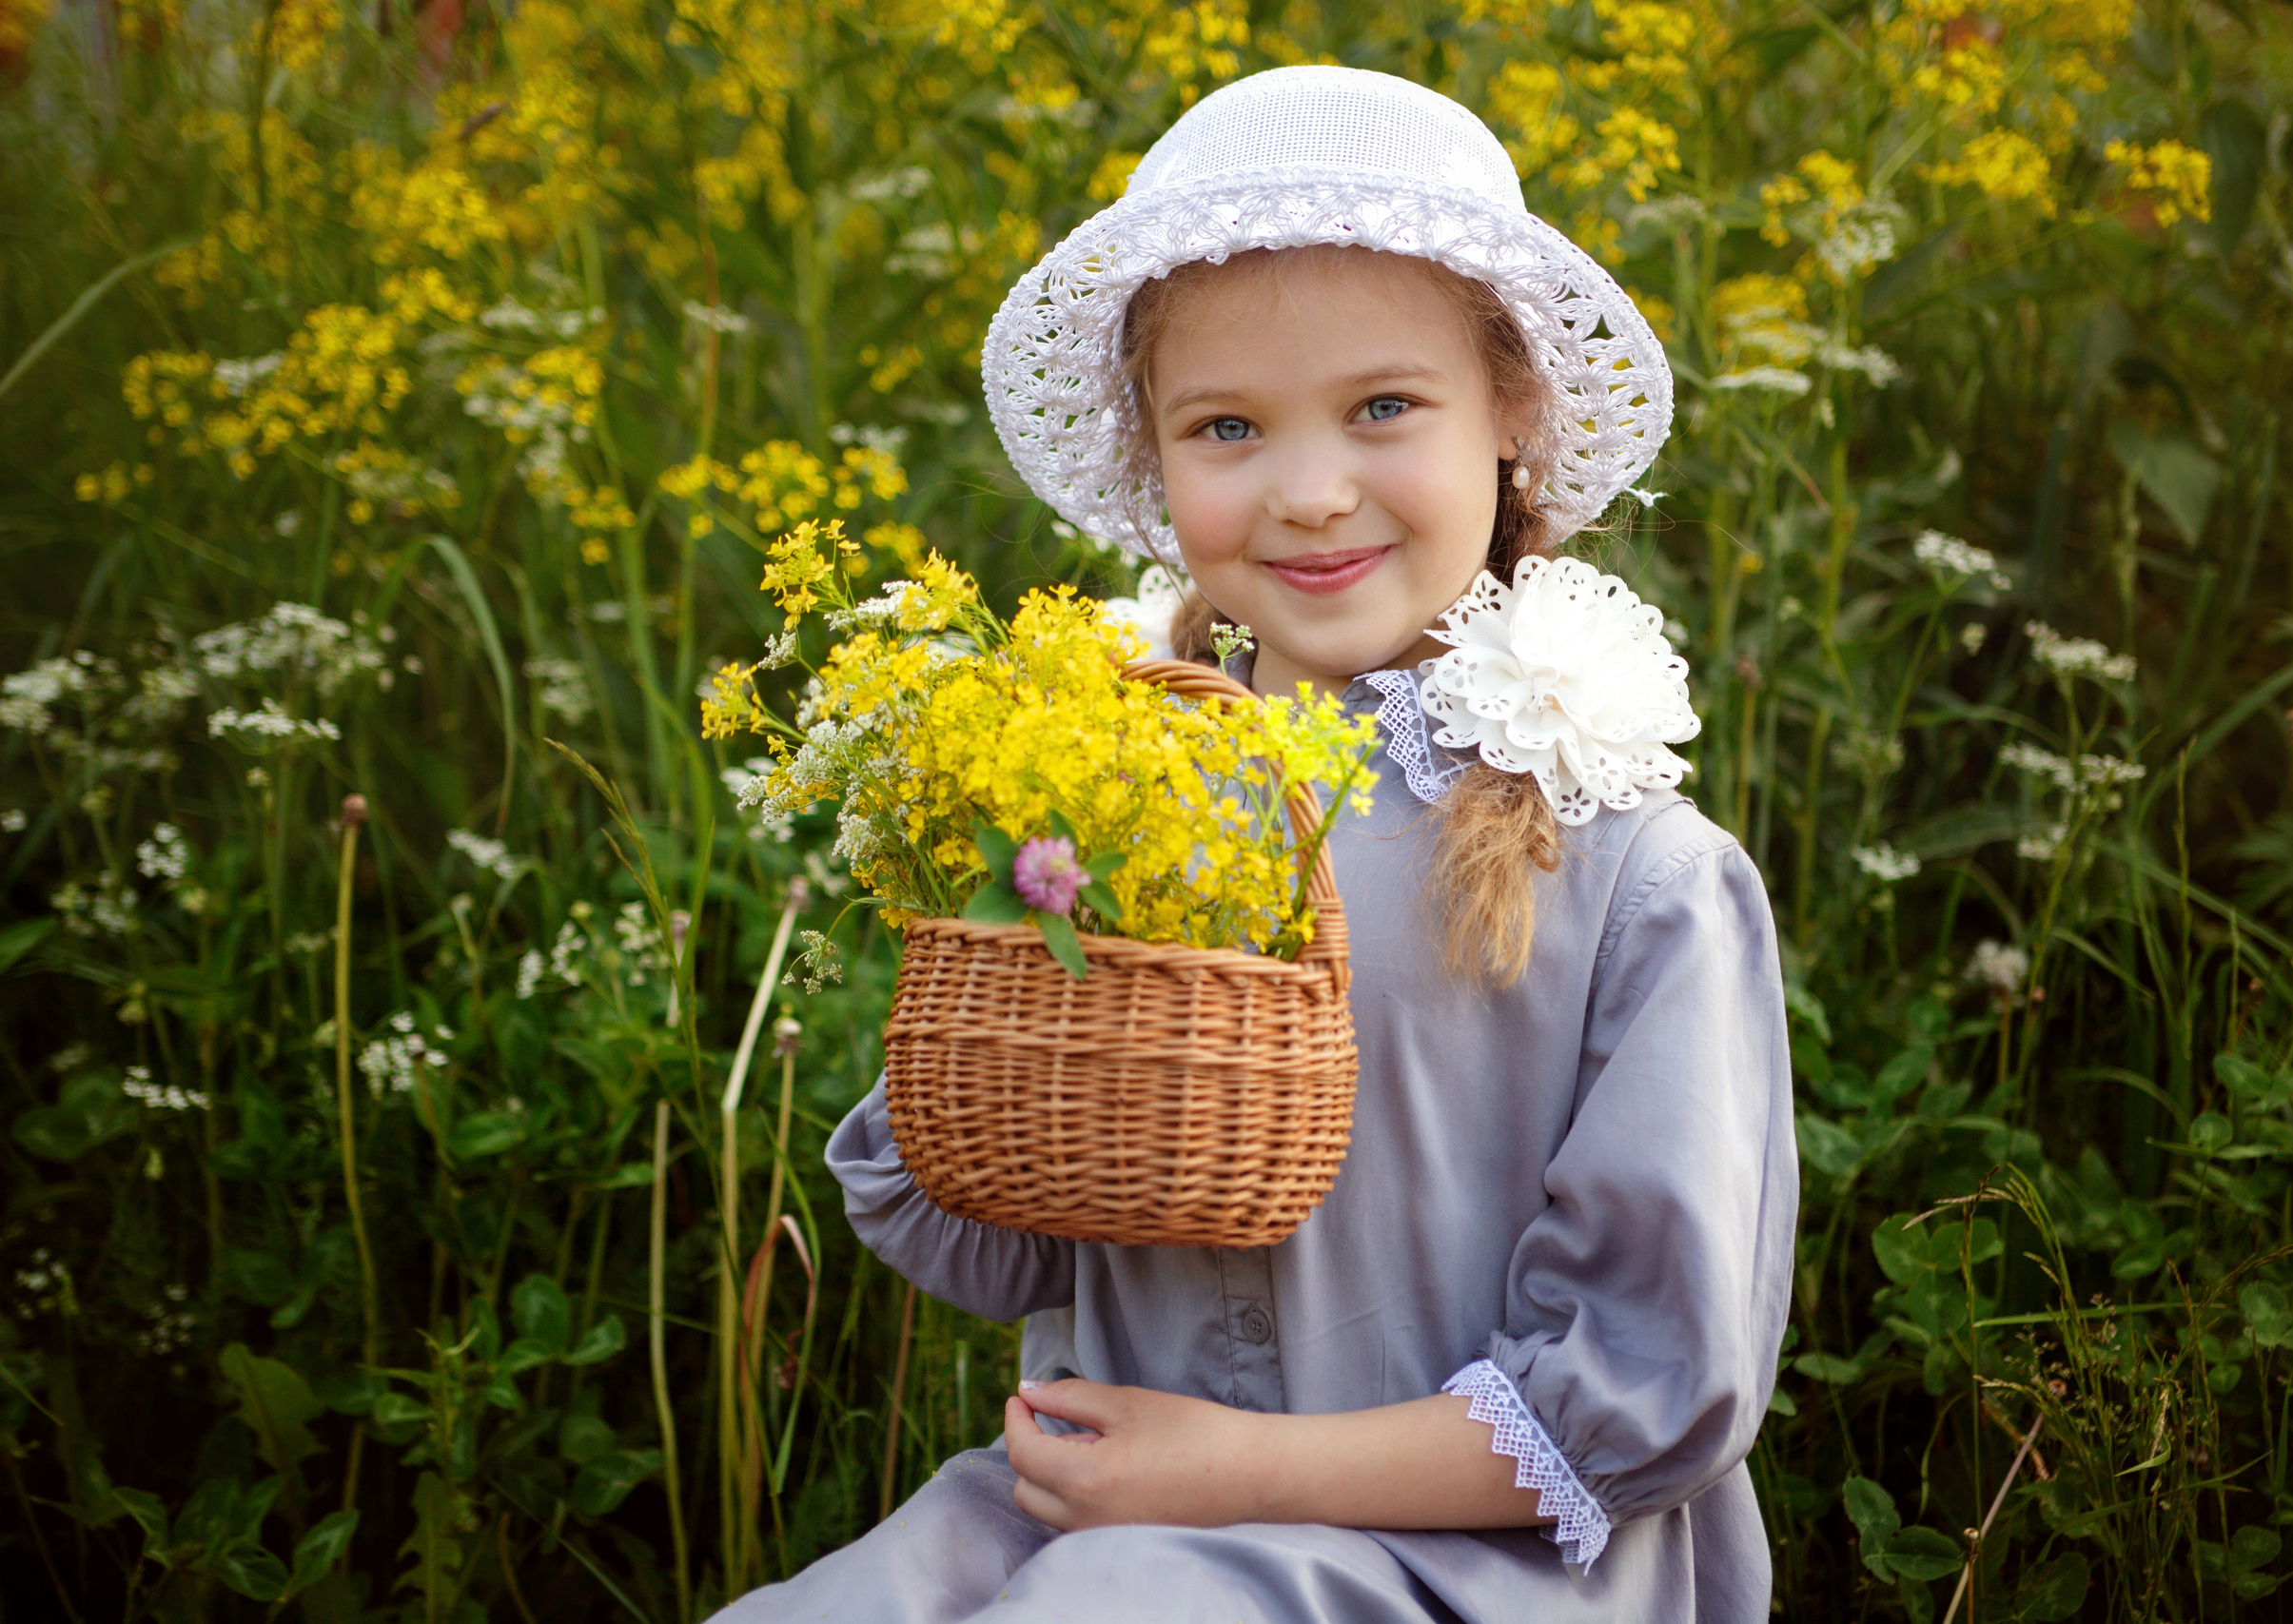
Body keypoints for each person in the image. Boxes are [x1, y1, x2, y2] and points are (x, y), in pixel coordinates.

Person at [718, 65, 1796, 1624]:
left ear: (1514, 410)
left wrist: (1224, 1474)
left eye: (1383, 408)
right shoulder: (1114, 809)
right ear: (1153, 457)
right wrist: (998, 934)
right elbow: (999, 1249)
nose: (1310, 492)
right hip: (1101, 1510)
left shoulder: (1634, 875)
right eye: (1227, 425)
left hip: (1473, 1564)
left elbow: (1646, 1396)